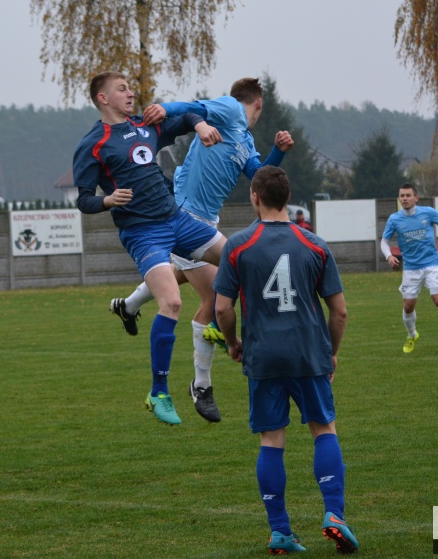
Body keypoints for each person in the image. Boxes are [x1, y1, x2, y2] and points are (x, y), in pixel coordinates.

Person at [108, 77, 294, 423]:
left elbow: (259, 176)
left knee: (179, 275)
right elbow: (194, 108)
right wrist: (165, 109)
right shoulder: (231, 108)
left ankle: (128, 306)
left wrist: (279, 151)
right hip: (183, 215)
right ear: (259, 103)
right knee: (213, 297)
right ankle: (201, 386)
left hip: (207, 221)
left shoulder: (245, 140)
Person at [213, 166, 358, 554]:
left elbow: (222, 308)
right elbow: (340, 311)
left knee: (271, 439)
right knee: (323, 429)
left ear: (255, 197)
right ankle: (334, 515)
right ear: (288, 197)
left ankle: (280, 531)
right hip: (308, 353)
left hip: (263, 355)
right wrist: (332, 352)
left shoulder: (237, 245)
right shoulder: (315, 244)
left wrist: (233, 343)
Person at [72, 71, 226, 426]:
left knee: (240, 258)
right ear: (103, 99)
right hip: (143, 233)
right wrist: (107, 200)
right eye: (122, 89)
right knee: (171, 302)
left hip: (178, 219)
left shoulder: (145, 125)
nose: (131, 93)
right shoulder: (93, 144)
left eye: (130, 88)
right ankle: (158, 393)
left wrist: (201, 126)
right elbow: (83, 200)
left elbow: (187, 118)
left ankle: (219, 325)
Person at [380, 182, 438, 353]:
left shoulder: (427, 212)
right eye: (402, 196)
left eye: (408, 195)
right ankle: (412, 335)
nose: (405, 198)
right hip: (411, 268)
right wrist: (389, 256)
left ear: (416, 198)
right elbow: (384, 241)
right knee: (408, 306)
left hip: (432, 263)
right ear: (399, 198)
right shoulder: (394, 219)